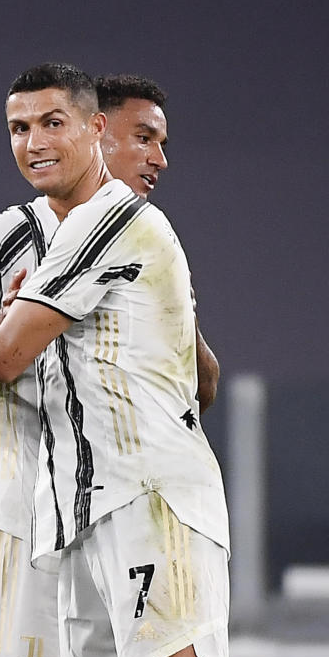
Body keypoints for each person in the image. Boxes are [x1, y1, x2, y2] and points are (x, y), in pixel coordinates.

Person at [0, 63, 230, 657]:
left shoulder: (122, 224)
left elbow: (6, 353)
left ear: (90, 131)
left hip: (136, 492)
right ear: (105, 132)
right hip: (35, 509)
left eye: (51, 124)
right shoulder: (7, 234)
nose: (158, 158)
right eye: (144, 138)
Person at [95, 74, 219, 410]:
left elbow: (201, 390)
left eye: (161, 143)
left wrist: (183, 317)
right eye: (144, 139)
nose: (160, 160)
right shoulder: (17, 237)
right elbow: (1, 357)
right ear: (94, 134)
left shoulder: (152, 239)